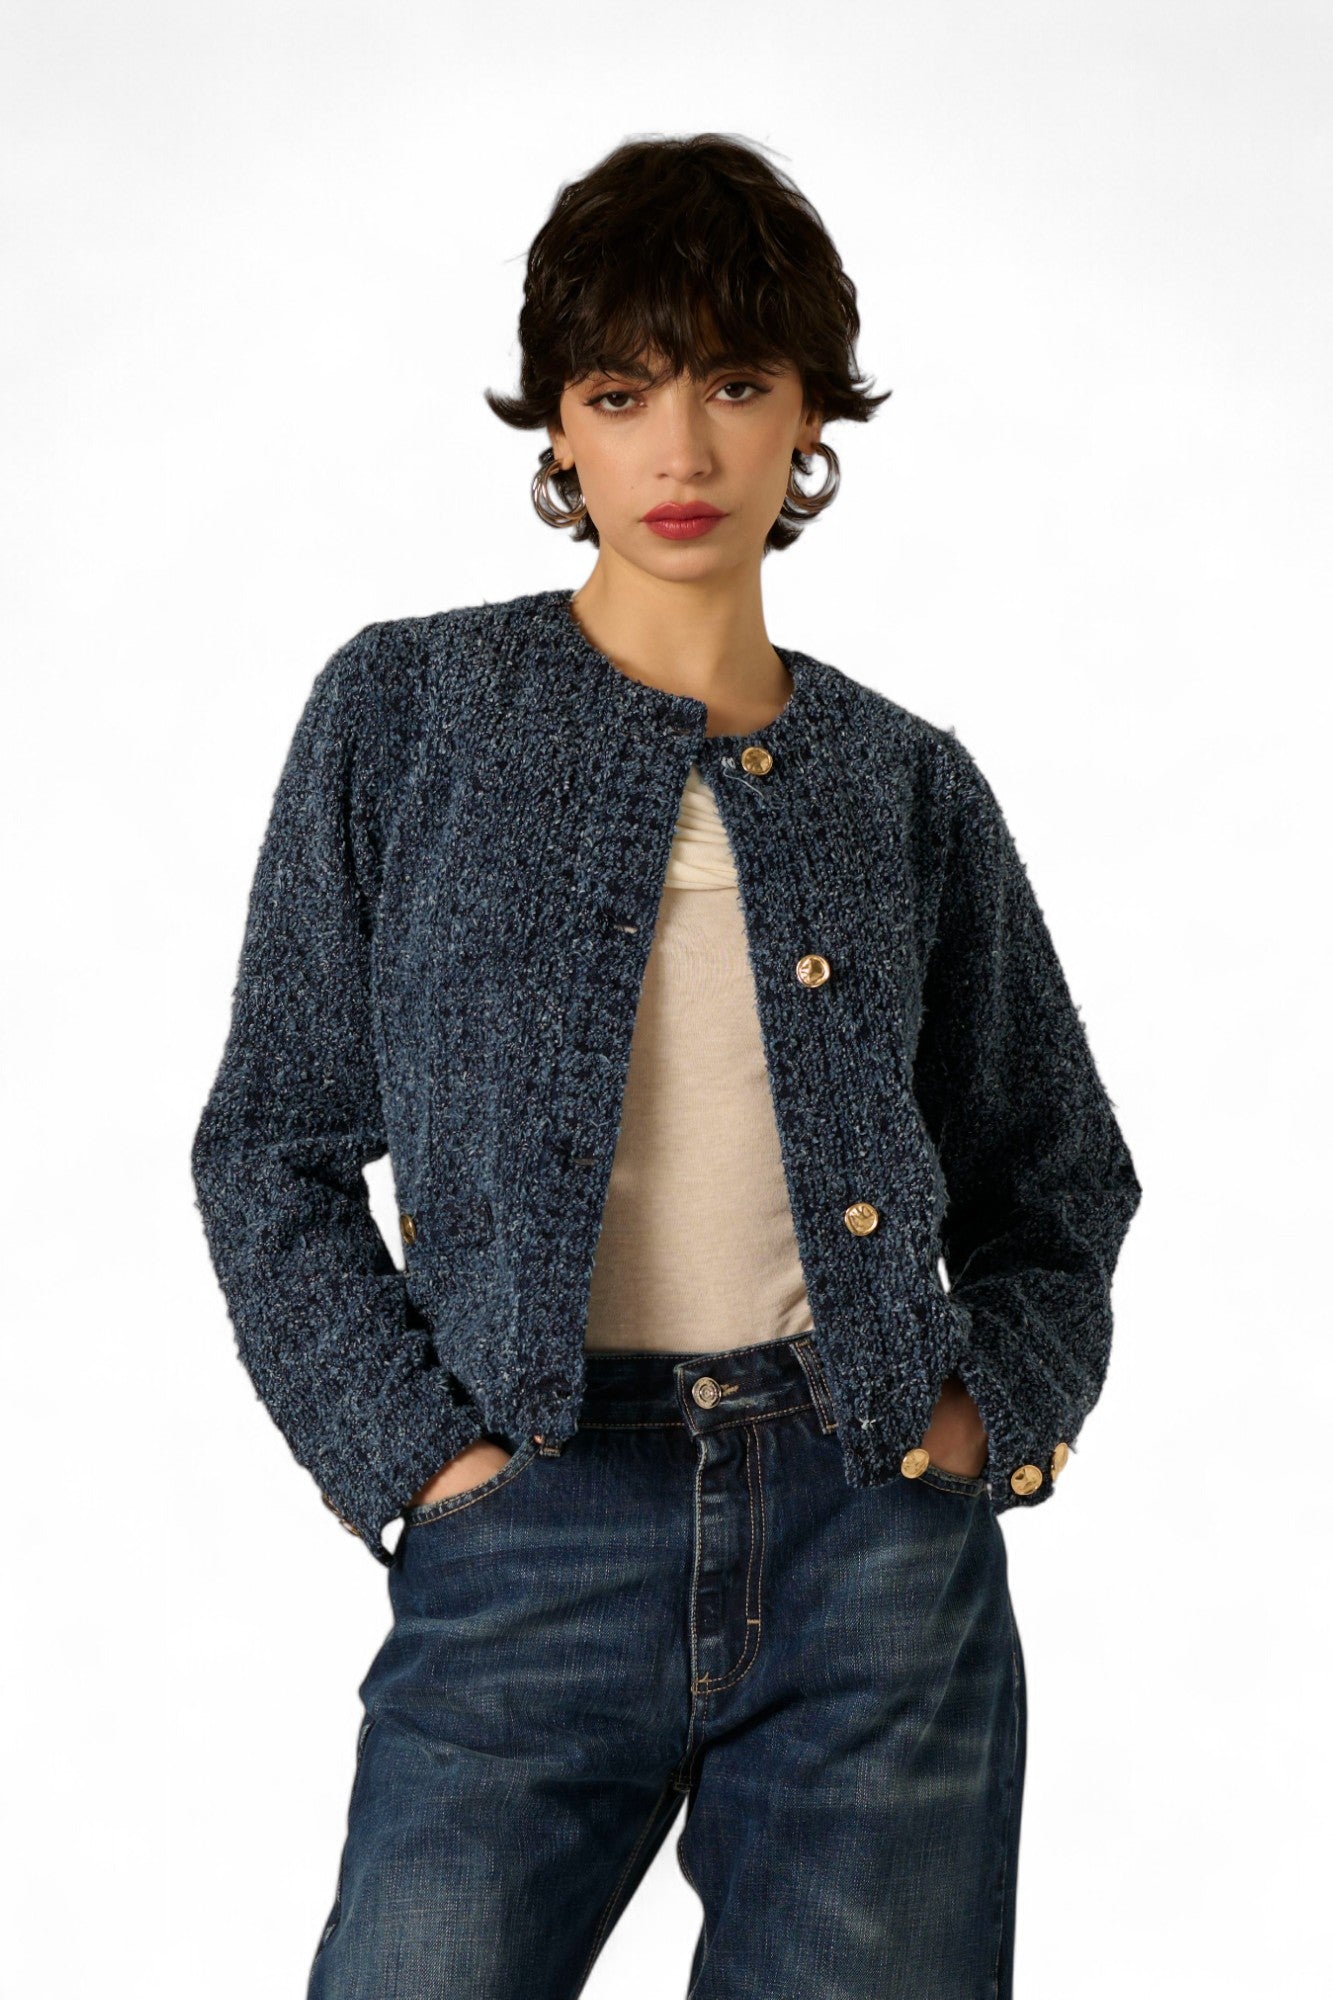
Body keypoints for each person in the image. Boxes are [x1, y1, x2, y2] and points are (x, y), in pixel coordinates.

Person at [191, 132, 1142, 1999]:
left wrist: (988, 1418)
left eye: (735, 385)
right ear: (559, 427)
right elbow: (271, 1143)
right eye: (622, 394)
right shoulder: (407, 709)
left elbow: (1055, 1168)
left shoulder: (904, 781)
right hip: (527, 1523)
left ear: (811, 421)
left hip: (873, 1547)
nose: (681, 452)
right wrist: (422, 1461)